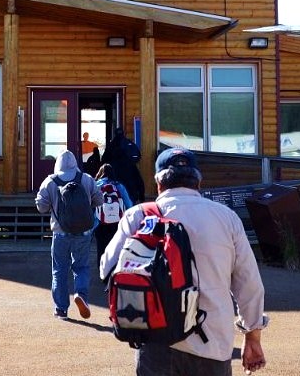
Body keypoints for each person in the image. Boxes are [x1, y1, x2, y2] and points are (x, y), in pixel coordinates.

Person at [100, 147, 268, 375]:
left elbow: (107, 268)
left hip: (155, 339)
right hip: (212, 342)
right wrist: (252, 336)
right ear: (198, 182)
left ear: (159, 183)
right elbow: (249, 283)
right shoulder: (227, 218)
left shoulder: (139, 215)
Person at [36, 150, 103, 320]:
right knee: (81, 267)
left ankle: (61, 309)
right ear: (75, 164)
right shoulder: (86, 179)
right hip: (83, 232)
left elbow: (41, 207)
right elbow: (99, 200)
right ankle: (82, 296)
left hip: (60, 233)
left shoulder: (50, 181)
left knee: (59, 270)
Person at [92, 163, 133, 261]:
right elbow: (129, 204)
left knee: (101, 249)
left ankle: (102, 272)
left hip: (100, 223)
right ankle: (113, 272)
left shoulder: (96, 185)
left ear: (100, 173)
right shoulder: (119, 186)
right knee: (116, 248)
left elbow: (90, 205)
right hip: (117, 223)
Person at [101, 127, 145, 202]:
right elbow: (139, 181)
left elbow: (103, 160)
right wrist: (141, 196)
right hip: (130, 180)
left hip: (115, 179)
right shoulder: (129, 145)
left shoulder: (111, 146)